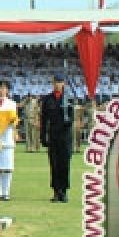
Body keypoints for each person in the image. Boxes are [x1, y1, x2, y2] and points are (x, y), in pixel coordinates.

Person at [40, 73, 75, 203]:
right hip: (53, 135)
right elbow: (43, 119)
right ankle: (56, 191)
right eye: (55, 82)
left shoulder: (69, 98)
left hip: (65, 136)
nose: (57, 85)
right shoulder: (48, 99)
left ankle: (64, 191)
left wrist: (68, 121)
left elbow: (72, 117)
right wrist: (43, 136)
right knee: (54, 164)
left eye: (59, 82)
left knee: (64, 164)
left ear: (63, 84)